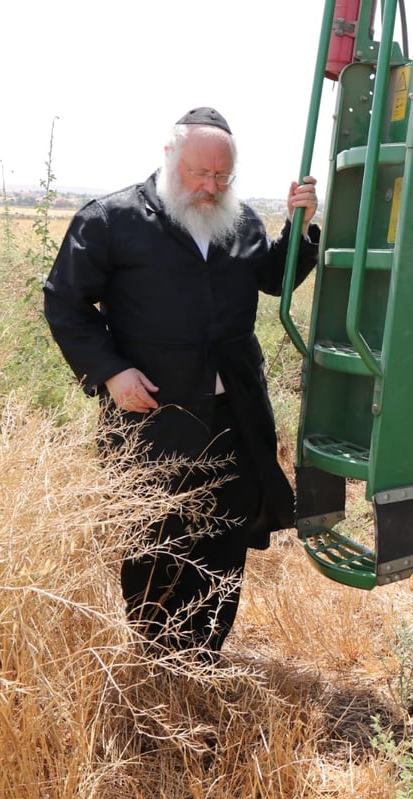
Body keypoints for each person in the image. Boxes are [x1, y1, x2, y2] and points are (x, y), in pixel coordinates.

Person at [43, 107, 321, 654]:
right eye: (199, 173)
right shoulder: (111, 220)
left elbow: (272, 279)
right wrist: (110, 371)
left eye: (222, 177)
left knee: (223, 537)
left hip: (232, 417)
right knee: (156, 539)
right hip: (152, 415)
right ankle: (157, 659)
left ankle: (206, 653)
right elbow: (65, 302)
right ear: (170, 157)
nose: (210, 187)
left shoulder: (241, 223)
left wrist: (302, 227)